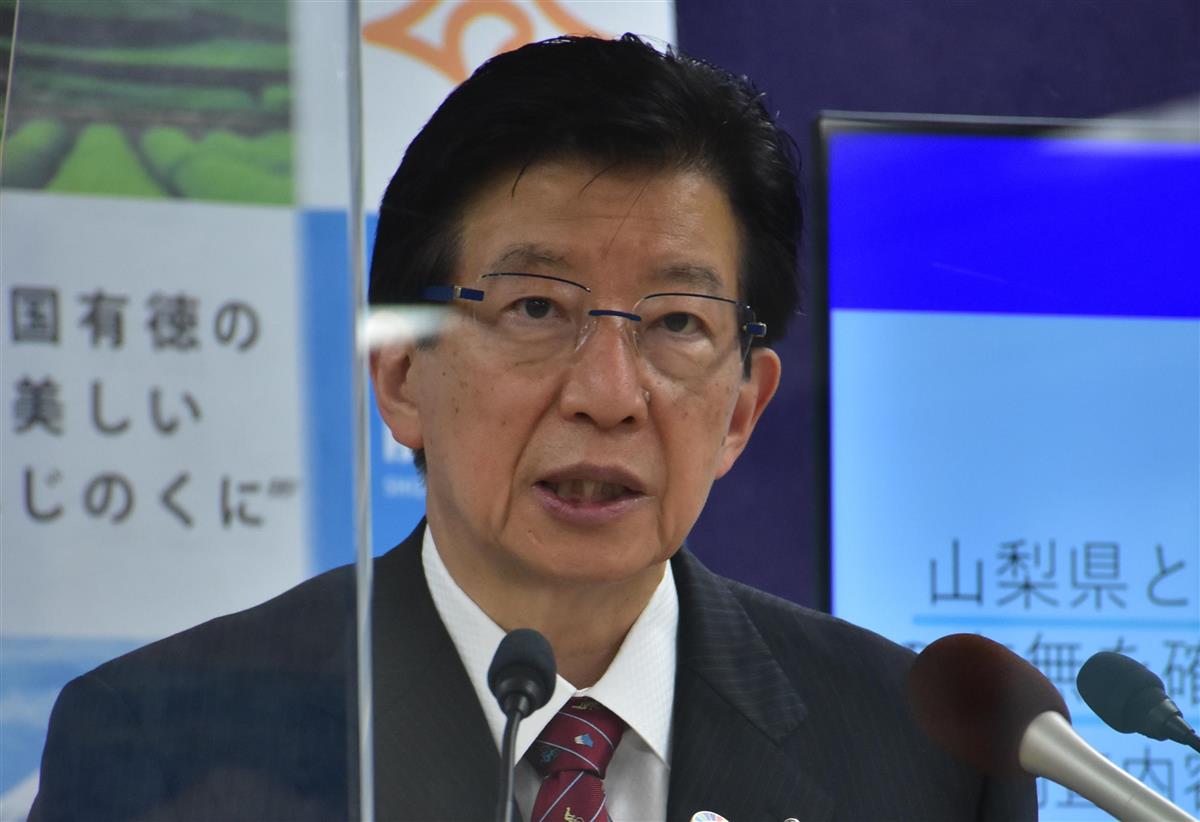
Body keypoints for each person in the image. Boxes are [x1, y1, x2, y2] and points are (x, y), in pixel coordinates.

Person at [30, 35, 1036, 821]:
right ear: (402, 374)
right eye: (537, 308)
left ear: (741, 409)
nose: (609, 393)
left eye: (677, 324)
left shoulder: (926, 759)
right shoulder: (160, 747)